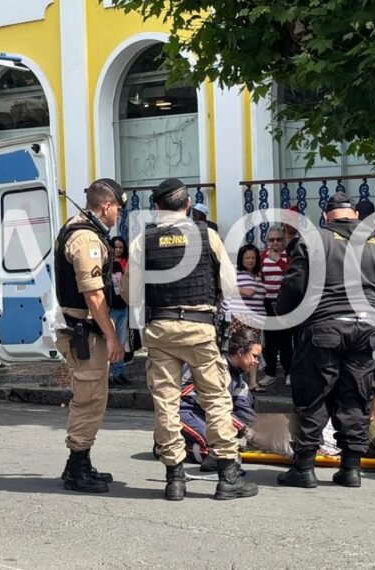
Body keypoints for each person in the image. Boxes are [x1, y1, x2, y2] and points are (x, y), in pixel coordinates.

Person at [122, 177, 257, 501]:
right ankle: (227, 477)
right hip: (199, 328)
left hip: (161, 329)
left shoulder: (143, 241)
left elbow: (131, 293)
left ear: (156, 207)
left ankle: (175, 479)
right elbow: (229, 286)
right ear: (187, 205)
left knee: (167, 403)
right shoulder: (206, 235)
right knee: (216, 400)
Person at [276, 192, 375, 489]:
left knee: (313, 397)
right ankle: (351, 468)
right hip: (366, 330)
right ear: (354, 214)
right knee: (354, 398)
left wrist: (287, 316)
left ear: (326, 217)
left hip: (323, 327)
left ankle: (304, 468)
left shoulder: (315, 240)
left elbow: (292, 288)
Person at [53, 178, 126, 494]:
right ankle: (77, 466)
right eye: (118, 210)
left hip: (83, 329)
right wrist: (112, 336)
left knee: (92, 396)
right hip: (85, 331)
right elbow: (94, 295)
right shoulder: (86, 239)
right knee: (89, 398)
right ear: (107, 206)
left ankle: (78, 463)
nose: (118, 216)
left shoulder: (80, 228)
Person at [180, 326, 261, 466]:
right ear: (241, 352)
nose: (256, 362)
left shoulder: (238, 380)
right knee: (215, 453)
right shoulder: (214, 368)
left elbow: (244, 411)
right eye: (254, 356)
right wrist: (245, 430)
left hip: (206, 415)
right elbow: (213, 406)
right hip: (184, 411)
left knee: (225, 445)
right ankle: (168, 447)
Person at [222, 243, 269, 391]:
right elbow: (224, 289)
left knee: (253, 352)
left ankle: (253, 382)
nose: (250, 260)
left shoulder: (258, 277)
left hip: (255, 321)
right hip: (238, 319)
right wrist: (243, 290)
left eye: (253, 258)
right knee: (237, 351)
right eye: (247, 257)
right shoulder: (235, 273)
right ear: (241, 259)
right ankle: (233, 382)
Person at [261, 225, 293, 384]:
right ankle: (270, 373)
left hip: (284, 303)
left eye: (278, 239)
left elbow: (293, 275)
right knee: (270, 339)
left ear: (284, 241)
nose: (275, 243)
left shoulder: (289, 256)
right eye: (271, 239)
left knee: (286, 340)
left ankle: (289, 372)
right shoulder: (262, 256)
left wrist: (279, 261)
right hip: (267, 302)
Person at [108, 236, 131, 387]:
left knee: (121, 342)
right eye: (115, 247)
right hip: (110, 309)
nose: (118, 250)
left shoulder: (126, 264)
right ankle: (107, 375)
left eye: (120, 247)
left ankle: (118, 373)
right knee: (109, 343)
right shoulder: (106, 265)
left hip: (123, 307)